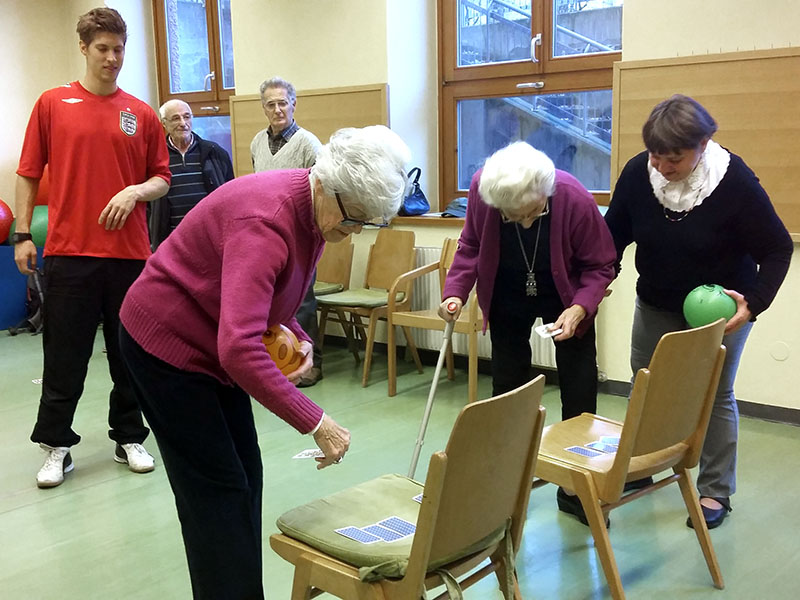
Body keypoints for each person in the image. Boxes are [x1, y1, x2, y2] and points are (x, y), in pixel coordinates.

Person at [118, 125, 411, 600]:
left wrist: (292, 330)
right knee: (218, 491)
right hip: (164, 344)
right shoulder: (267, 220)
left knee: (245, 474)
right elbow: (238, 348)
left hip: (209, 339)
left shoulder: (315, 210)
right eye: (355, 219)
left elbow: (267, 292)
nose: (354, 231)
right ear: (329, 184)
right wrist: (317, 422)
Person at [605, 94, 792, 529]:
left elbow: (778, 248)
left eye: (674, 157)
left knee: (716, 392)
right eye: (656, 155)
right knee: (645, 383)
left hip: (720, 309)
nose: (663, 166)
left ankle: (715, 491)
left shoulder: (735, 182)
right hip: (656, 298)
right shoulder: (638, 173)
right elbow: (614, 233)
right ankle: (642, 464)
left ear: (704, 144)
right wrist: (602, 275)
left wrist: (754, 303)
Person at [12, 7, 170, 488]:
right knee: (65, 355)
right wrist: (22, 234)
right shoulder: (53, 104)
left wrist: (135, 191)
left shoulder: (140, 113)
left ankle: (128, 437)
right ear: (84, 48)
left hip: (129, 257)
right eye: (103, 48)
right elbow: (28, 172)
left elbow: (161, 178)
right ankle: (57, 445)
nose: (113, 58)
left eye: (119, 49)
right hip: (69, 253)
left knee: (130, 354)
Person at [439, 141, 616, 524]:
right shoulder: (483, 189)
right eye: (511, 215)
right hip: (506, 291)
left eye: (530, 212)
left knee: (579, 384)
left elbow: (601, 265)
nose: (522, 222)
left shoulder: (572, 196)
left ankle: (574, 486)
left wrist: (579, 308)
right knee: (506, 386)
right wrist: (454, 293)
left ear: (545, 193)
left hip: (564, 291)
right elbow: (470, 245)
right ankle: (504, 482)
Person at [251, 76, 325, 387]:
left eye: (283, 102)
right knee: (270, 301)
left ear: (293, 104)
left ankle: (309, 365)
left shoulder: (308, 143)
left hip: (300, 234)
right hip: (266, 236)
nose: (278, 109)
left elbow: (321, 191)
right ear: (264, 108)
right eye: (271, 104)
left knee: (302, 300)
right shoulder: (257, 142)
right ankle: (279, 364)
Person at [149, 99, 234, 250]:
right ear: (163, 123)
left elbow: (230, 196)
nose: (183, 123)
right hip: (171, 242)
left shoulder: (215, 153)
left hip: (210, 239)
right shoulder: (155, 157)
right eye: (176, 118)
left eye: (187, 116)